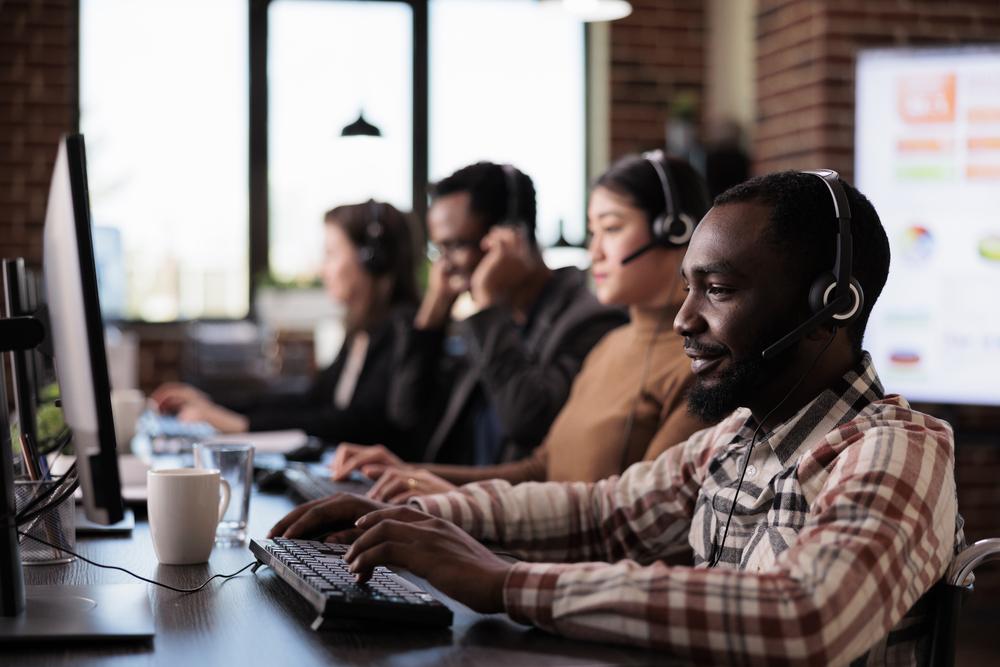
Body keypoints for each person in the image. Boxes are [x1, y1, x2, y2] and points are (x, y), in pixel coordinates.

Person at [270, 171, 964, 665]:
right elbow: (603, 512)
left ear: (831, 304)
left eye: (717, 290)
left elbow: (805, 613)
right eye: (688, 287)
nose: (686, 320)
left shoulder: (898, 450)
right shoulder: (737, 436)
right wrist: (431, 518)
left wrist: (503, 582)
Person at [331, 152, 714, 502]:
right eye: (592, 232)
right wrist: (411, 475)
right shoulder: (610, 346)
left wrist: (457, 502)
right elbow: (537, 468)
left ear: (674, 230)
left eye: (611, 229)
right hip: (502, 534)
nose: (594, 251)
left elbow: (629, 515)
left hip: (540, 556)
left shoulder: (609, 330)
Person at [387, 162, 627, 466]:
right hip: (454, 496)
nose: (446, 267)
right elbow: (405, 413)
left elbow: (528, 423)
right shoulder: (483, 324)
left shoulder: (590, 319)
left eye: (457, 245)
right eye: (440, 250)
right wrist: (433, 314)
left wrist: (486, 305)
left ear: (513, 235)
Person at [152, 200, 424, 458]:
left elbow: (358, 423)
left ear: (371, 259)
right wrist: (215, 405)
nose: (322, 269)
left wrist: (242, 424)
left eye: (331, 254)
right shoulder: (362, 330)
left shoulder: (403, 330)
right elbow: (312, 399)